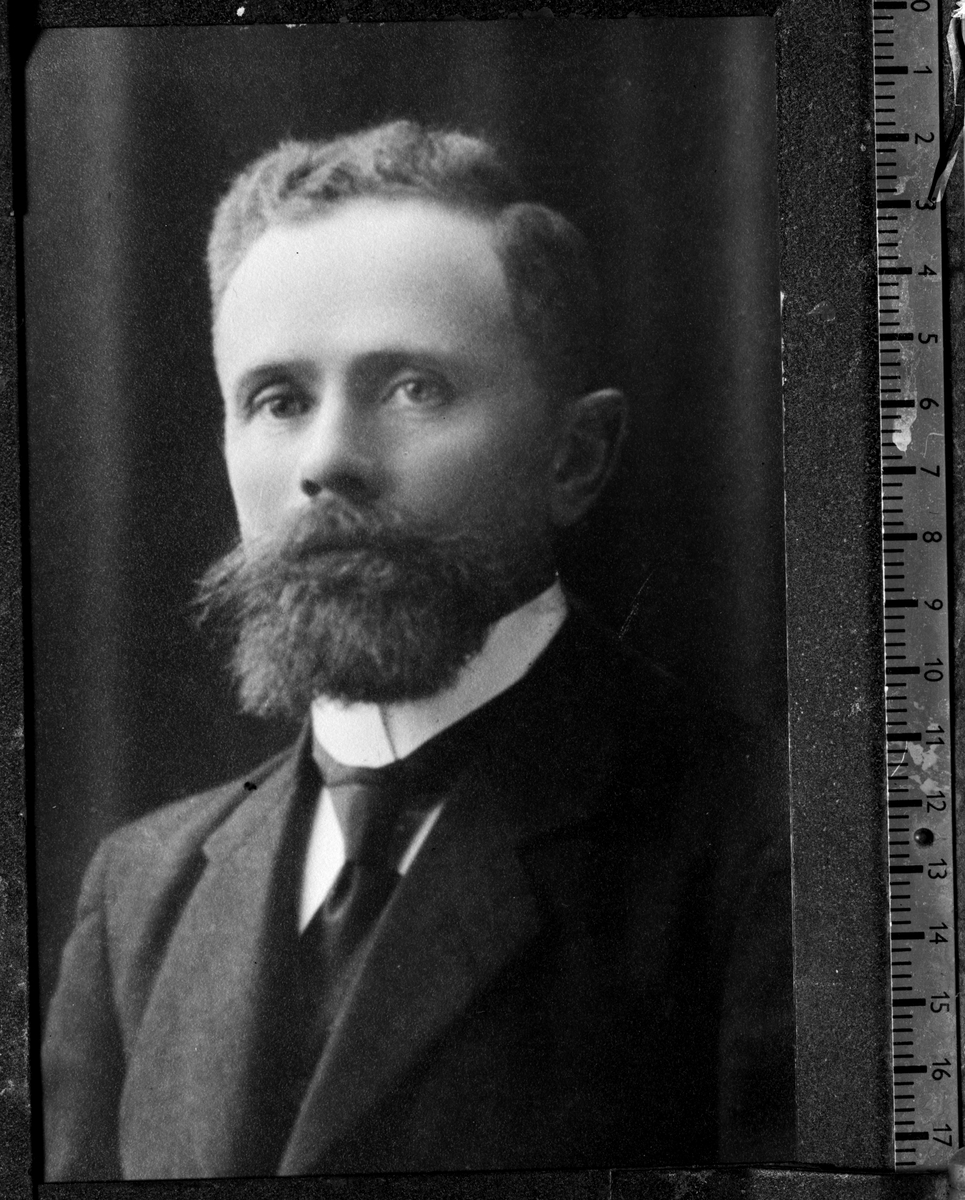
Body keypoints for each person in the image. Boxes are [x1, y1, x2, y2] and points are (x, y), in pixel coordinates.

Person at [41, 120, 794, 1180]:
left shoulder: (764, 845)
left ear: (575, 456)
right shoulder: (137, 895)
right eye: (277, 400)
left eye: (411, 389)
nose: (327, 461)